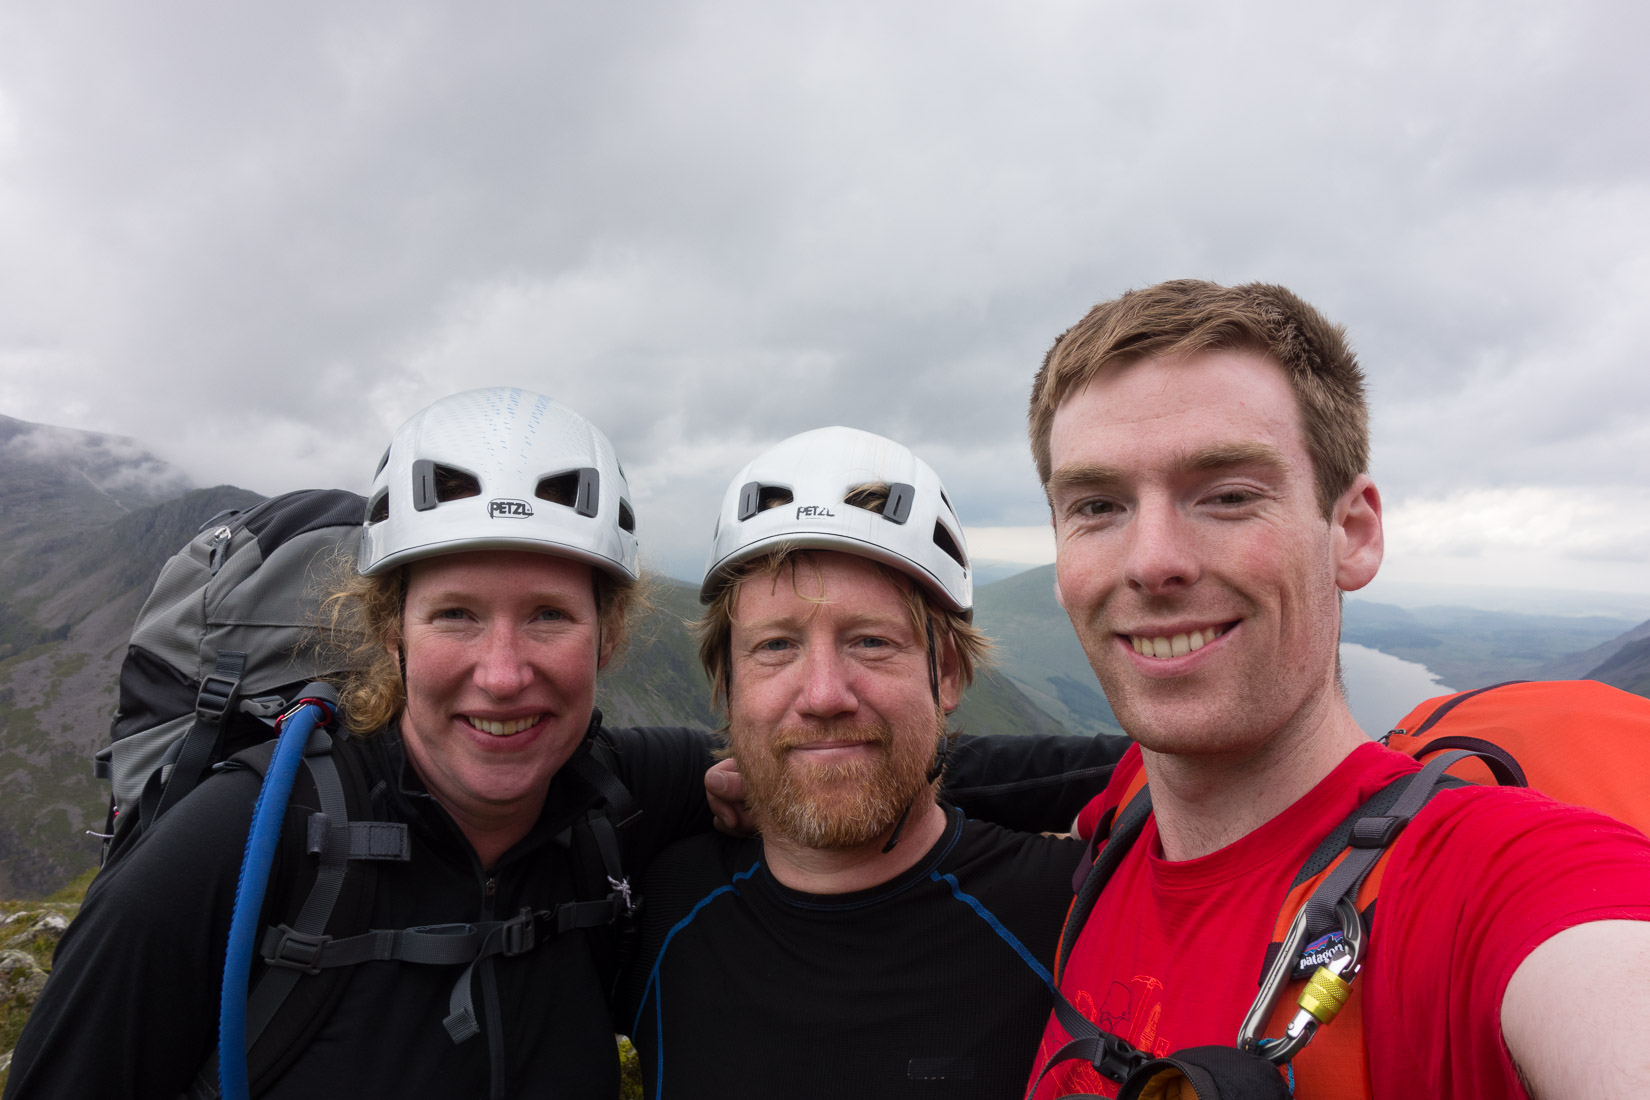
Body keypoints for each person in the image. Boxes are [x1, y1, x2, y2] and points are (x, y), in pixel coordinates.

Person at [1021, 281, 1650, 1099]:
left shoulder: (1483, 882)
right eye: (1097, 505)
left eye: (1229, 496)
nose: (1151, 560)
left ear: (1351, 533)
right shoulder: (1127, 810)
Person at [4, 388, 722, 1099]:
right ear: (391, 632)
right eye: (455, 615)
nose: (503, 675)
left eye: (548, 616)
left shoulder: (618, 795)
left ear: (609, 637)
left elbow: (786, 771)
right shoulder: (240, 841)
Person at [617, 426, 1127, 1100]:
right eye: (775, 646)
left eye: (869, 641)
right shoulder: (654, 906)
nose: (824, 694)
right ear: (727, 689)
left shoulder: (1078, 916)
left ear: (945, 674)